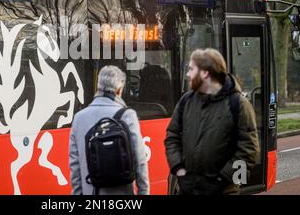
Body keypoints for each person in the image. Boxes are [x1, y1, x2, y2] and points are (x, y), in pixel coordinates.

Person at [165, 48, 260, 195]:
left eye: (191, 69)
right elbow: (172, 136)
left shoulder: (238, 104)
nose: (188, 74)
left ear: (205, 73)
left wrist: (222, 180)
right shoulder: (186, 101)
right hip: (187, 190)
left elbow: (249, 152)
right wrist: (179, 169)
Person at [69, 65, 149, 195]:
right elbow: (140, 161)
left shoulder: (79, 119)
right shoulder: (127, 116)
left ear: (98, 88)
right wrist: (143, 192)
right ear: (119, 90)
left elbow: (75, 167)